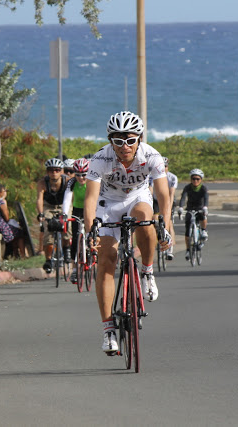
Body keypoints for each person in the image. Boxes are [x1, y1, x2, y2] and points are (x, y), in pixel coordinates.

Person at [84, 111, 172, 354]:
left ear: (140, 139)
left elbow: (163, 194)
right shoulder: (100, 158)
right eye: (118, 141)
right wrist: (90, 231)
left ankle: (147, 271)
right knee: (106, 260)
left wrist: (167, 224)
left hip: (137, 197)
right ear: (111, 140)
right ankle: (108, 330)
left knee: (146, 220)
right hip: (108, 204)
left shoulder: (152, 155)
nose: (124, 147)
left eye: (130, 140)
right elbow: (90, 199)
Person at [36, 158, 71, 273]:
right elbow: (39, 200)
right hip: (49, 206)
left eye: (57, 170)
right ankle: (48, 260)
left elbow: (70, 197)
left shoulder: (67, 181)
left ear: (61, 171)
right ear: (47, 172)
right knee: (48, 231)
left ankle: (66, 250)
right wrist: (41, 214)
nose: (54, 173)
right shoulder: (42, 183)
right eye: (51, 170)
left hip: (63, 205)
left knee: (67, 226)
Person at [62, 158, 90, 284]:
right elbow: (67, 199)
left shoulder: (92, 181)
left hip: (92, 209)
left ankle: (92, 252)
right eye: (77, 174)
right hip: (78, 210)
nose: (81, 178)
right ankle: (74, 269)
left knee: (92, 234)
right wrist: (64, 214)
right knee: (75, 237)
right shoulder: (72, 182)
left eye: (84, 174)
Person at [149, 156, 178, 260]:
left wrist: (168, 210)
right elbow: (150, 192)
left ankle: (170, 249)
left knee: (169, 223)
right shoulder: (152, 177)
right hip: (156, 200)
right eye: (161, 166)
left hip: (169, 200)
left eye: (165, 166)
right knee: (154, 219)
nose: (163, 168)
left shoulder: (172, 178)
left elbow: (171, 194)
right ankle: (158, 234)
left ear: (168, 167)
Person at [178, 168, 209, 261]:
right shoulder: (187, 187)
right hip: (190, 209)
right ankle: (188, 250)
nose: (195, 181)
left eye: (197, 179)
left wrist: (205, 207)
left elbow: (206, 198)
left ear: (201, 180)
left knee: (203, 215)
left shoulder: (203, 188)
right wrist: (180, 207)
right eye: (193, 179)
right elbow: (183, 197)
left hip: (200, 208)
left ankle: (203, 230)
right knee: (187, 230)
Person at [0, 184, 27, 258]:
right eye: (5, 191)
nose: (6, 193)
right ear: (0, 192)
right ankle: (22, 255)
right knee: (19, 233)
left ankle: (16, 254)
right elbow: (7, 217)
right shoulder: (1, 202)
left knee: (15, 230)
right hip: (1, 226)